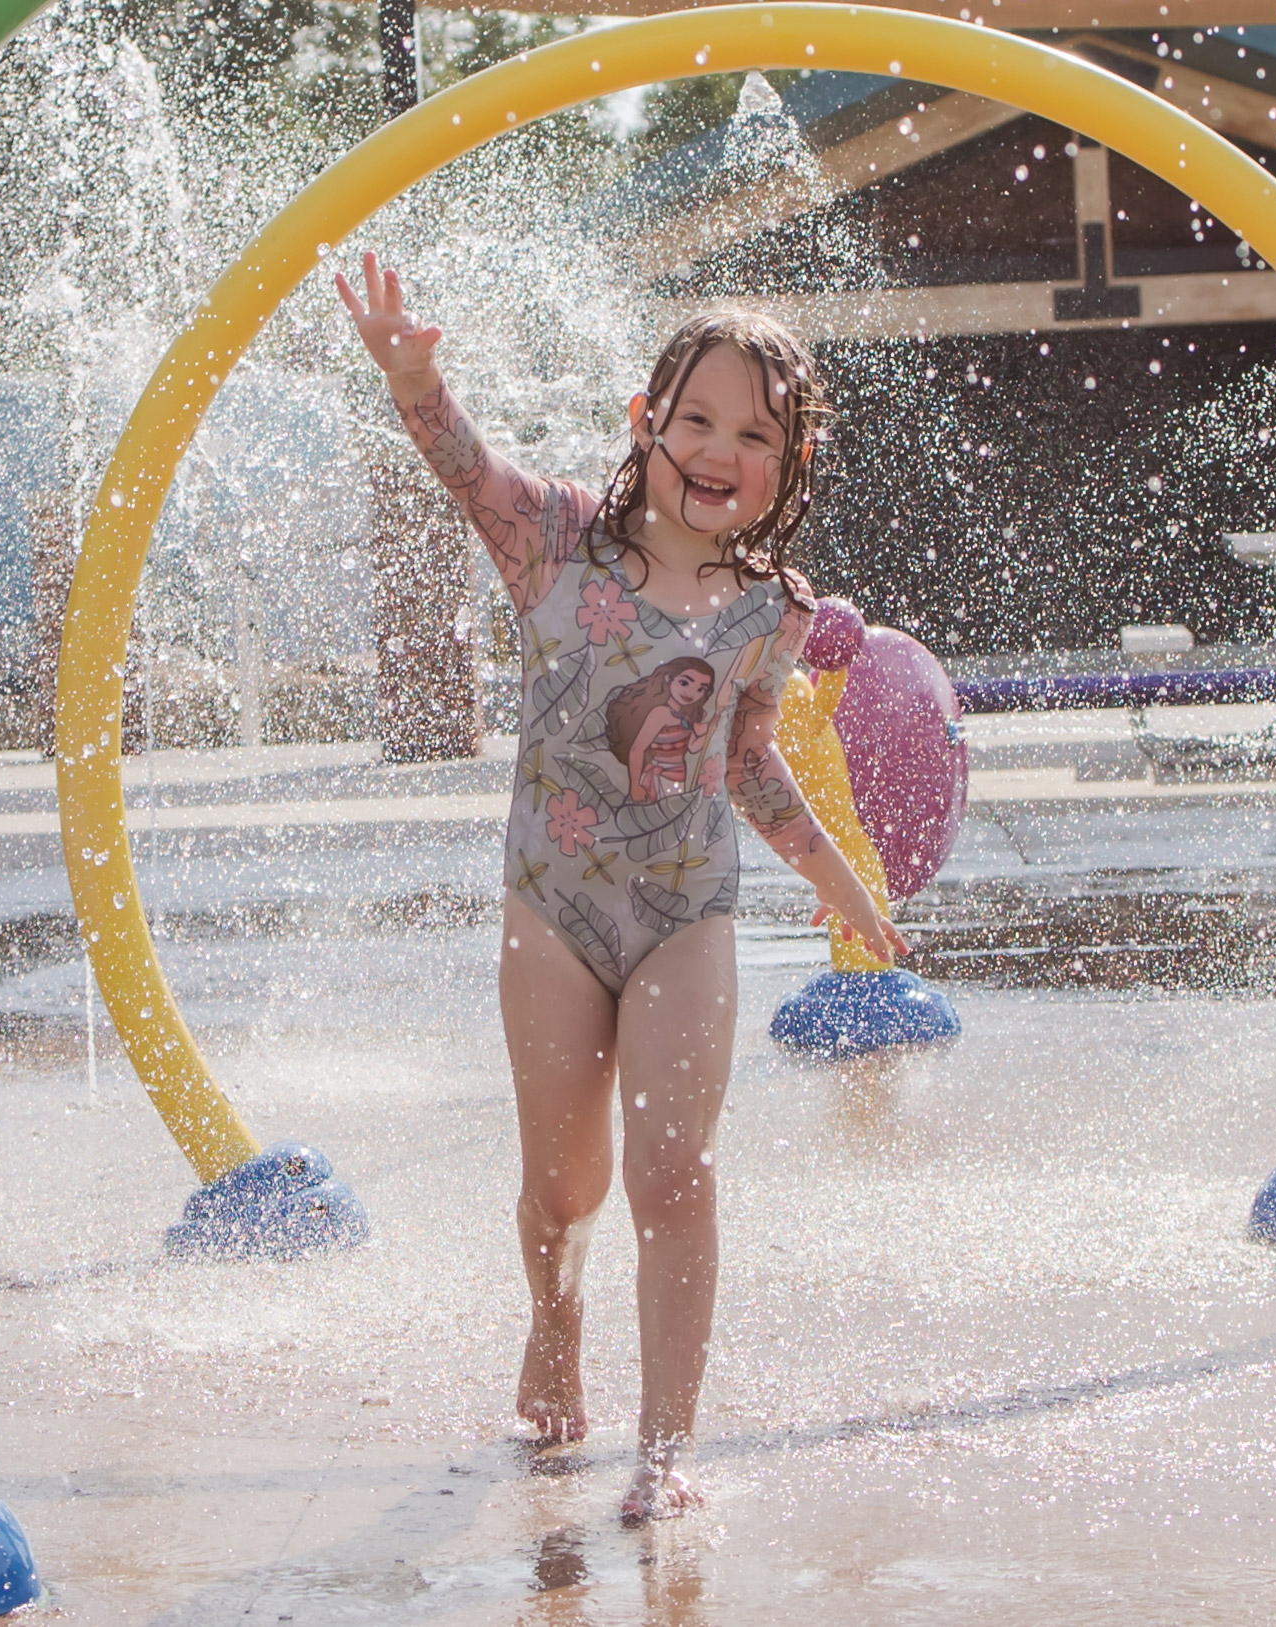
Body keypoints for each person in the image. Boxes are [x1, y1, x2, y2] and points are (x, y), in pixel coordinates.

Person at [338, 254, 907, 1522]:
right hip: (553, 905)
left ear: (785, 471)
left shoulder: (769, 611)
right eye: (695, 417)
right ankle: (555, 1314)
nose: (718, 448)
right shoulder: (551, 544)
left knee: (672, 1169)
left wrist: (838, 881)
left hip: (682, 914)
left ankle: (664, 1448)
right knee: (564, 1183)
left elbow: (747, 763)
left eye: (754, 434)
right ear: (644, 426)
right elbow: (463, 470)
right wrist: (415, 377)